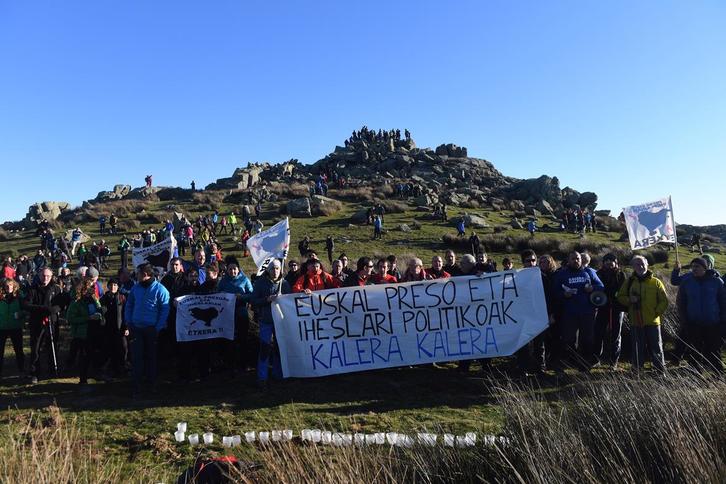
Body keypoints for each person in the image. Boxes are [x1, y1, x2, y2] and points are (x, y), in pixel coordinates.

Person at [552, 251, 604, 371]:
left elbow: (601, 286)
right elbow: (555, 292)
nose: (576, 261)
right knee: (569, 339)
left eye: (578, 258)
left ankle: (584, 365)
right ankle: (570, 362)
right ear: (568, 260)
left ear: (581, 260)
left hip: (588, 312)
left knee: (587, 339)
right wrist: (564, 294)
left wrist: (592, 288)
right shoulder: (562, 274)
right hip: (569, 313)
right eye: (573, 259)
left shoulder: (589, 272)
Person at [616, 256, 668, 374]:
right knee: (637, 347)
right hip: (635, 320)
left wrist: (656, 312)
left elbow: (664, 301)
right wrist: (630, 300)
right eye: (637, 264)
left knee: (656, 347)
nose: (640, 266)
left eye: (642, 264)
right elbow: (620, 297)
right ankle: (637, 370)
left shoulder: (656, 282)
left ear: (647, 265)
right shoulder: (629, 282)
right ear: (633, 266)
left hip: (653, 322)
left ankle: (660, 371)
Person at [124, 263, 170, 396]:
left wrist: (158, 327)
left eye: (137, 273)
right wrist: (129, 321)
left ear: (144, 275)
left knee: (151, 357)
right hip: (136, 328)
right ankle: (136, 385)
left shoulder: (160, 289)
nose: (135, 276)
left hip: (151, 329)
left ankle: (152, 384)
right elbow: (129, 305)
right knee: (137, 357)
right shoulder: (135, 288)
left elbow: (164, 310)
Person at [676, 257, 726, 373]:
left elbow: (723, 302)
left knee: (713, 351)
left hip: (713, 323)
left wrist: (723, 321)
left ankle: (717, 374)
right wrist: (684, 321)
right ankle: (695, 374)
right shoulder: (687, 283)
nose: (694, 269)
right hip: (693, 323)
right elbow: (681, 303)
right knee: (694, 350)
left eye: (697, 266)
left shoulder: (716, 282)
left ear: (704, 268)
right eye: (692, 267)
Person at [251, 259, 291, 388]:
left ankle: (278, 374)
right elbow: (253, 300)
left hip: (280, 322)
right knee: (265, 348)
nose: (275, 271)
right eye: (273, 268)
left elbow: (290, 301)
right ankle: (262, 377)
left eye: (277, 268)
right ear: (268, 270)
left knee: (280, 348)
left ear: (281, 269)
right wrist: (267, 299)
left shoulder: (284, 284)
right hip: (266, 321)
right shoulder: (260, 283)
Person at [23, 267, 63, 383]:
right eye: (43, 276)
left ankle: (52, 369)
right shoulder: (33, 289)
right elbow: (26, 304)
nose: (45, 278)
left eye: (48, 276)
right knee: (35, 347)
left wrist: (53, 309)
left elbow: (62, 303)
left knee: (52, 345)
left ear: (51, 276)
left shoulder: (56, 289)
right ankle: (35, 372)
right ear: (39, 276)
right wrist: (42, 309)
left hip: (52, 321)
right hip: (36, 322)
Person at [66, 277, 105, 392]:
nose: (91, 288)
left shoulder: (92, 298)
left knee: (94, 353)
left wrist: (101, 315)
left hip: (94, 330)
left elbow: (99, 308)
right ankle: (83, 380)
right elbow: (70, 318)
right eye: (88, 286)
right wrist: (88, 318)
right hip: (82, 333)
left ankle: (95, 373)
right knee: (84, 356)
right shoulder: (76, 302)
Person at [218, 260, 254, 373]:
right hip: (227, 313)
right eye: (230, 269)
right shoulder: (223, 281)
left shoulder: (244, 280)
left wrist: (241, 297)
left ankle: (244, 363)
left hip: (241, 312)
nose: (232, 271)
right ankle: (231, 364)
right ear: (227, 270)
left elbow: (252, 294)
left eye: (234, 269)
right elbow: (217, 294)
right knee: (230, 338)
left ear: (238, 269)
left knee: (243, 338)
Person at [593, 254, 627, 369]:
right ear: (603, 263)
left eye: (611, 260)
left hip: (617, 308)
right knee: (598, 333)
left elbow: (624, 289)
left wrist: (616, 296)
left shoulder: (621, 275)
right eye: (606, 260)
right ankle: (596, 359)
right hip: (601, 307)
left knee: (616, 335)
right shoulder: (598, 274)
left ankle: (614, 362)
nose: (609, 262)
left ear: (616, 262)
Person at [100, 278, 129, 377]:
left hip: (120, 328)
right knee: (109, 348)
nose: (113, 287)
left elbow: (126, 313)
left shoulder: (122, 298)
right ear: (108, 286)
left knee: (122, 348)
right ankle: (110, 368)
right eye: (111, 285)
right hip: (108, 328)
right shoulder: (103, 298)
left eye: (115, 285)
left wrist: (126, 327)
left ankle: (122, 367)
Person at [0, 278, 25, 376]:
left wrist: (20, 314)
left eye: (10, 285)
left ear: (14, 285)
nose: (8, 287)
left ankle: (21, 368)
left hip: (15, 326)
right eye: (6, 285)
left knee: (18, 349)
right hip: (1, 327)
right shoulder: (0, 296)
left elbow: (26, 309)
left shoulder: (19, 296)